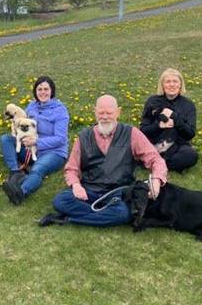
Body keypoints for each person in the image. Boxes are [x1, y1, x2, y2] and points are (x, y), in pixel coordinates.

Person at [39, 95, 167, 227]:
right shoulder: (84, 136)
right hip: (89, 190)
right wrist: (76, 186)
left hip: (118, 192)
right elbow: (72, 168)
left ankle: (68, 219)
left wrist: (157, 179)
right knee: (60, 201)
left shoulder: (132, 134)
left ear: (118, 112)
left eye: (109, 113)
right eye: (101, 112)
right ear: (95, 112)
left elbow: (155, 159)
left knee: (122, 213)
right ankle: (101, 214)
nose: (105, 117)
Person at [0, 76, 70, 205]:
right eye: (39, 89)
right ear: (35, 92)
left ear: (52, 91)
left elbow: (61, 139)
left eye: (46, 89)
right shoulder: (32, 106)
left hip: (53, 152)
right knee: (5, 139)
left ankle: (20, 192)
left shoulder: (60, 110)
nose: (43, 92)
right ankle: (15, 172)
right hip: (30, 148)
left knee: (37, 169)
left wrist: (36, 142)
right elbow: (22, 120)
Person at [139, 68, 198, 172]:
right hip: (153, 144)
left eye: (175, 81)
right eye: (168, 81)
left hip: (176, 147)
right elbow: (143, 130)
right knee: (131, 146)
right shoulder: (152, 101)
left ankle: (156, 163)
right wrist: (159, 126)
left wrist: (175, 117)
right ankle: (155, 161)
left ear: (180, 85)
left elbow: (190, 134)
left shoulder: (188, 105)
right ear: (162, 85)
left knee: (191, 155)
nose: (172, 85)